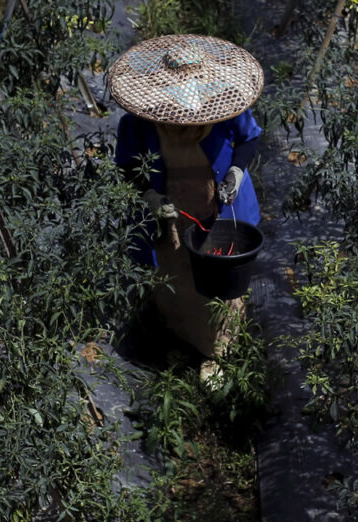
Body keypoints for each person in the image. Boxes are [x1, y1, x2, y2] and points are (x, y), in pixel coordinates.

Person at [108, 35, 265, 369]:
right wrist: (149, 194)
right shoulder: (139, 122)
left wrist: (235, 172)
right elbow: (127, 164)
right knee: (176, 279)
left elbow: (249, 137)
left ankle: (219, 353)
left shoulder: (223, 105)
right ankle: (181, 340)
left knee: (221, 282)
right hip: (171, 213)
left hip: (218, 207)